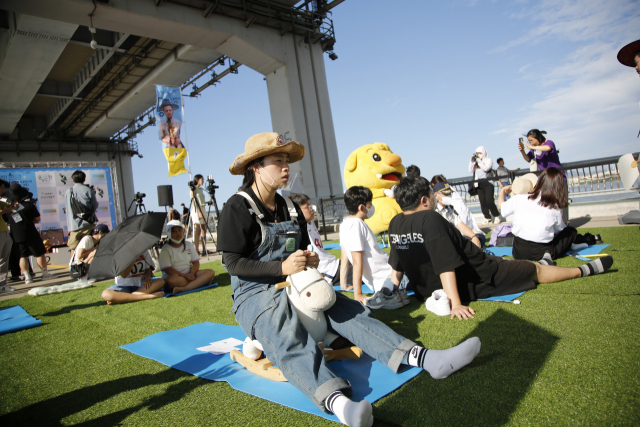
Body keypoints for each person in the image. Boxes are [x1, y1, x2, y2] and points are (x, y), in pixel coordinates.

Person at [217, 132, 481, 427]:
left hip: (296, 283)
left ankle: (428, 359)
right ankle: (343, 407)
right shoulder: (237, 208)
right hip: (254, 295)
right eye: (278, 160)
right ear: (256, 167)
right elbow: (232, 263)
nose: (286, 166)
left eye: (287, 160)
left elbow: (304, 248)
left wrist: (310, 258)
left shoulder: (290, 206)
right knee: (285, 330)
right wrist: (281, 268)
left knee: (349, 309)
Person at [388, 175, 614, 320]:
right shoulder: (430, 218)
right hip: (480, 276)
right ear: (425, 201)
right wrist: (456, 304)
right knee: (533, 270)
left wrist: (389, 292)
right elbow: (445, 264)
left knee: (507, 262)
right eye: (431, 195)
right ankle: (583, 270)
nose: (435, 200)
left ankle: (540, 261)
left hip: (436, 288)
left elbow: (397, 265)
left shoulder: (395, 223)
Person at [339, 186, 408, 310]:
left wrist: (343, 284)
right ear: (361, 207)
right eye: (369, 205)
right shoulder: (356, 225)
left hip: (384, 279)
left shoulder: (344, 224)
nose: (371, 208)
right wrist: (358, 294)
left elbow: (344, 256)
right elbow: (356, 260)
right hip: (389, 276)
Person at [498, 168, 585, 264]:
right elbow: (560, 229)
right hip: (541, 253)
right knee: (571, 231)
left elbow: (501, 208)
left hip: (518, 252)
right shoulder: (554, 207)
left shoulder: (519, 198)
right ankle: (571, 245)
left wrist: (502, 191)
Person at [290, 193, 352, 288]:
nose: (312, 209)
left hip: (333, 264)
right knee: (365, 268)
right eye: (307, 207)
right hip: (328, 272)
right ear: (297, 210)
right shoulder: (297, 230)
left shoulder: (310, 223)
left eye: (311, 206)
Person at [3, 183, 57, 284]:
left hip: (16, 234)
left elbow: (6, 220)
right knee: (39, 253)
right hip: (30, 232)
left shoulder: (8, 208)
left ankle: (27, 276)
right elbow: (37, 218)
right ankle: (45, 274)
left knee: (22, 255)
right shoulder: (28, 205)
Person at [517, 129, 568, 223]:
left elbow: (548, 148)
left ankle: (565, 224)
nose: (530, 143)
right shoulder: (534, 149)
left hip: (558, 177)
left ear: (539, 138)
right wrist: (522, 151)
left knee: (561, 202)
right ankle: (554, 223)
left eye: (531, 140)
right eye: (529, 141)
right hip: (547, 180)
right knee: (549, 203)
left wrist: (532, 147)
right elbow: (528, 158)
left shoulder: (549, 142)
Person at [159, 220, 215, 295]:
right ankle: (199, 282)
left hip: (190, 274)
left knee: (210, 272)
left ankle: (185, 288)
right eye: (174, 231)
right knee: (170, 281)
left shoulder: (188, 244)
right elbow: (168, 269)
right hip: (176, 277)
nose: (178, 233)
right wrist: (185, 276)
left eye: (179, 230)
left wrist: (192, 274)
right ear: (169, 233)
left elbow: (195, 262)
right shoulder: (165, 249)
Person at [432, 181, 486, 248]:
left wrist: (473, 236)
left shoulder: (450, 208)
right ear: (436, 195)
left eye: (449, 194)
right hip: (445, 242)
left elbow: (461, 226)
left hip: (454, 239)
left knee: (480, 237)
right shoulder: (434, 212)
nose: (449, 196)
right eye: (445, 194)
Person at [101, 250, 165, 304]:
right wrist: (132, 258)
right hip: (123, 286)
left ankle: (123, 298)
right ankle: (149, 296)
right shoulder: (119, 253)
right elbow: (124, 275)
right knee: (106, 294)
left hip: (141, 286)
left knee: (160, 281)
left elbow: (148, 270)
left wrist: (147, 280)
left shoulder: (143, 250)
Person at [65, 170, 99, 260]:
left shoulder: (68, 192)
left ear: (73, 179)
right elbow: (95, 206)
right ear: (84, 179)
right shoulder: (89, 190)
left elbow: (68, 208)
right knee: (88, 246)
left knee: (73, 247)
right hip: (88, 223)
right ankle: (86, 265)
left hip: (74, 225)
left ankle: (73, 267)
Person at [468, 146, 501, 224]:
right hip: (479, 183)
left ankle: (496, 215)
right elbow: (470, 170)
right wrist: (472, 162)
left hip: (488, 182)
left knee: (489, 201)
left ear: (484, 153)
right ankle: (487, 217)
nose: (478, 155)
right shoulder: (476, 162)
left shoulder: (488, 160)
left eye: (480, 153)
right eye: (477, 153)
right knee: (482, 202)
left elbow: (486, 168)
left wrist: (479, 161)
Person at [0, 179, 18, 292]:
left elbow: (5, 206)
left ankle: (2, 284)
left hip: (4, 231)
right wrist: (5, 210)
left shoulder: (1, 199)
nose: (3, 190)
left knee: (4, 260)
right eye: (1, 188)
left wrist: (12, 205)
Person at [189, 175, 208, 256]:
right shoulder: (193, 189)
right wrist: (199, 211)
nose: (203, 181)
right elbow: (193, 201)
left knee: (204, 229)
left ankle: (204, 249)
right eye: (201, 179)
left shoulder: (201, 189)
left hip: (203, 208)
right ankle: (196, 250)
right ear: (197, 180)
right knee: (197, 230)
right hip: (197, 209)